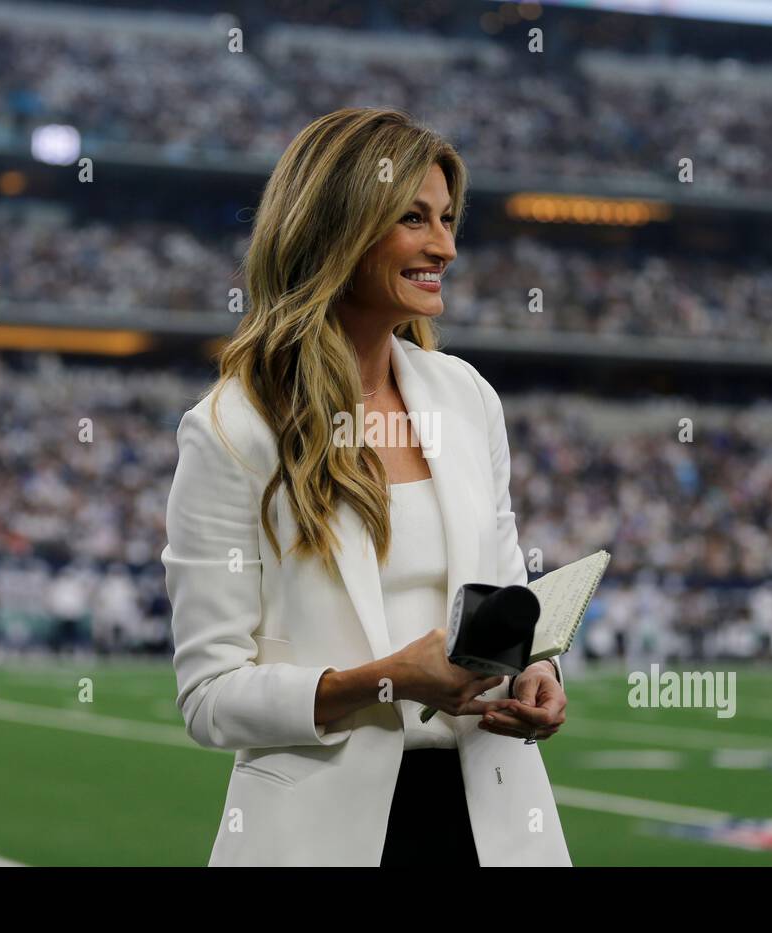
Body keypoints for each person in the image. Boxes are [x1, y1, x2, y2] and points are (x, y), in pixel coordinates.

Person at [163, 107, 571, 866]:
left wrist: (539, 672)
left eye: (448, 219)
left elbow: (511, 600)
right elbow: (209, 697)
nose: (444, 246)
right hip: (320, 836)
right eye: (413, 219)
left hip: (495, 822)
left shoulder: (467, 397)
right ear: (338, 227)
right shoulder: (231, 429)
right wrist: (379, 682)